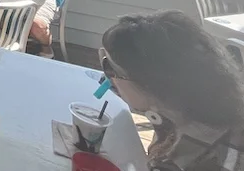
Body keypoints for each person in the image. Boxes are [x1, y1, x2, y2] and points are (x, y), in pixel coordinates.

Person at [101, 11, 244, 171]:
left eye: (110, 69)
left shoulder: (183, 159)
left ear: (149, 84)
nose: (107, 79)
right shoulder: (185, 104)